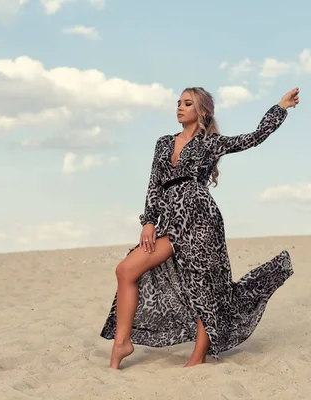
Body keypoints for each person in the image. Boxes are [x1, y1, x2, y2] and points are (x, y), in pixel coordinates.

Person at [100, 86, 299, 369]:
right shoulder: (163, 143)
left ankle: (197, 357)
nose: (180, 107)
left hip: (201, 219)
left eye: (188, 103)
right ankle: (122, 342)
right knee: (126, 270)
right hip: (170, 222)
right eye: (179, 103)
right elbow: (154, 184)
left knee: (204, 286)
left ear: (202, 111)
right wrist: (148, 221)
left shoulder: (210, 143)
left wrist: (280, 108)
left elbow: (253, 138)